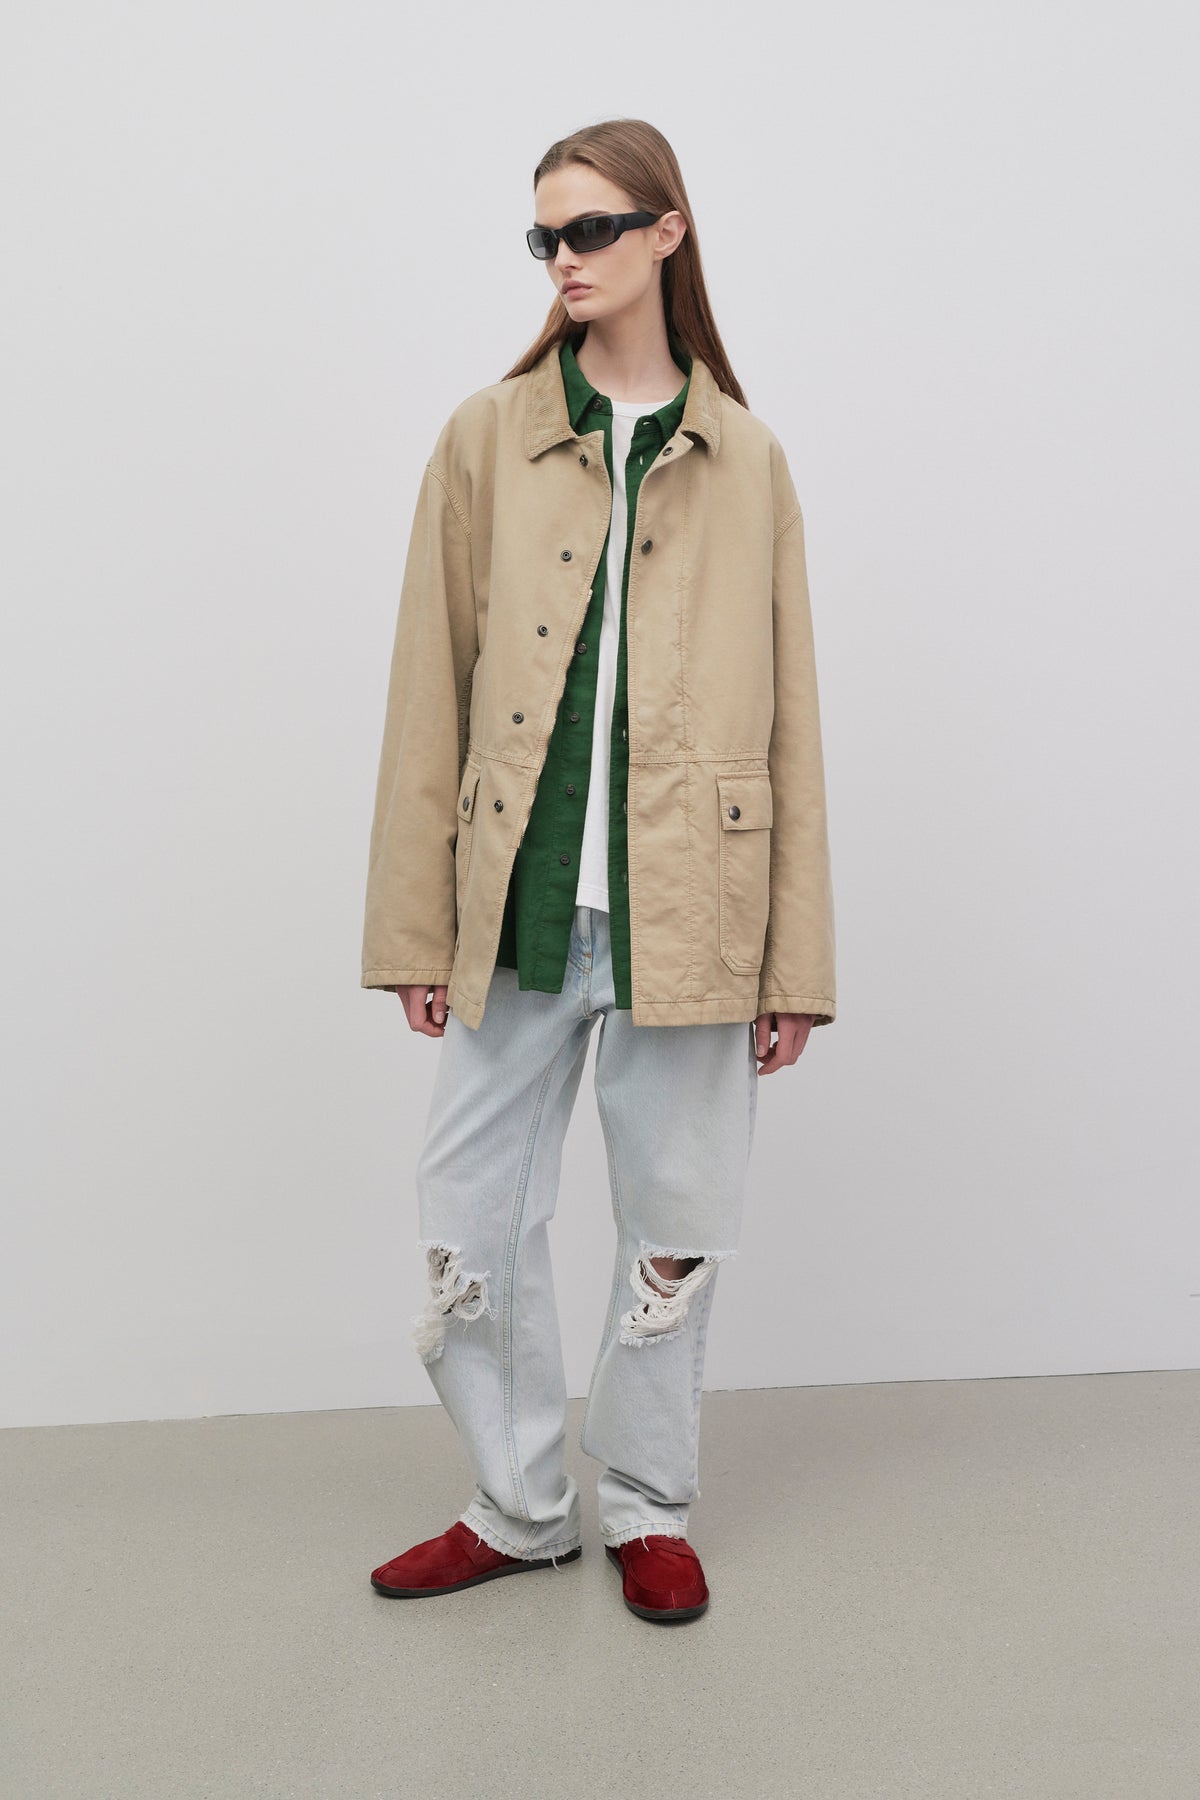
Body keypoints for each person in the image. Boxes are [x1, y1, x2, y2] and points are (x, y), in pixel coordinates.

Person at [360, 117, 836, 1624]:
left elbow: (794, 721)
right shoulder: (487, 438)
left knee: (673, 1229)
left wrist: (796, 964)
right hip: (518, 901)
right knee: (467, 1215)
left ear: (666, 233)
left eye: (590, 231)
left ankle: (645, 1503)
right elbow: (427, 691)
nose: (563, 260)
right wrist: (412, 931)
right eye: (544, 237)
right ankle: (518, 1505)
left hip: (695, 911)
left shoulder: (747, 459)